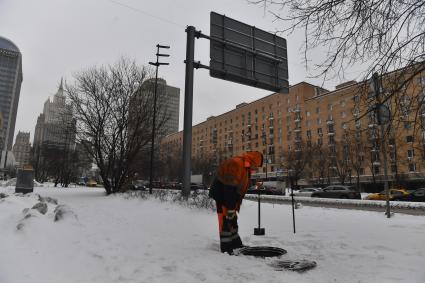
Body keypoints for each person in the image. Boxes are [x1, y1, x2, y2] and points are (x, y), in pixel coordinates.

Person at [209, 151, 263, 254]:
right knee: (225, 219)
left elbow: (239, 186)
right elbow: (228, 187)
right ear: (252, 161)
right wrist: (230, 207)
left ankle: (235, 243)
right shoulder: (236, 163)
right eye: (256, 166)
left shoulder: (245, 167)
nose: (256, 169)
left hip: (231, 196)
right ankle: (226, 247)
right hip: (222, 196)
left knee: (232, 219)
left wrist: (234, 206)